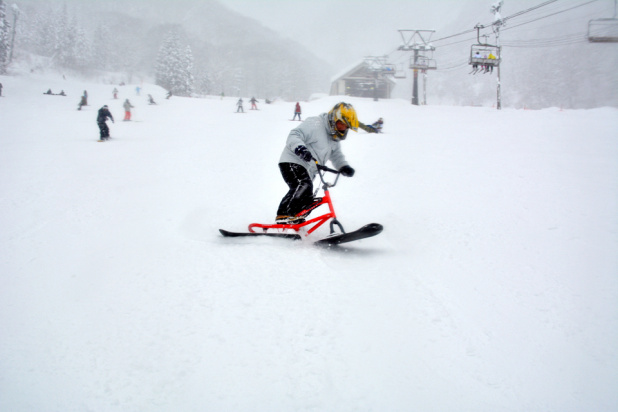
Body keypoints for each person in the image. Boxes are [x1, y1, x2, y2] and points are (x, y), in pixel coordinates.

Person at [275, 102, 358, 224]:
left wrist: (343, 166)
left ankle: (284, 216)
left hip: (308, 168)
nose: (342, 128)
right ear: (333, 119)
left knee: (306, 196)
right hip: (293, 160)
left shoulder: (334, 138)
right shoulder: (315, 124)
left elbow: (336, 155)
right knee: (303, 185)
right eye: (341, 123)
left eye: (346, 126)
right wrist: (300, 148)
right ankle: (289, 215)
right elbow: (295, 135)